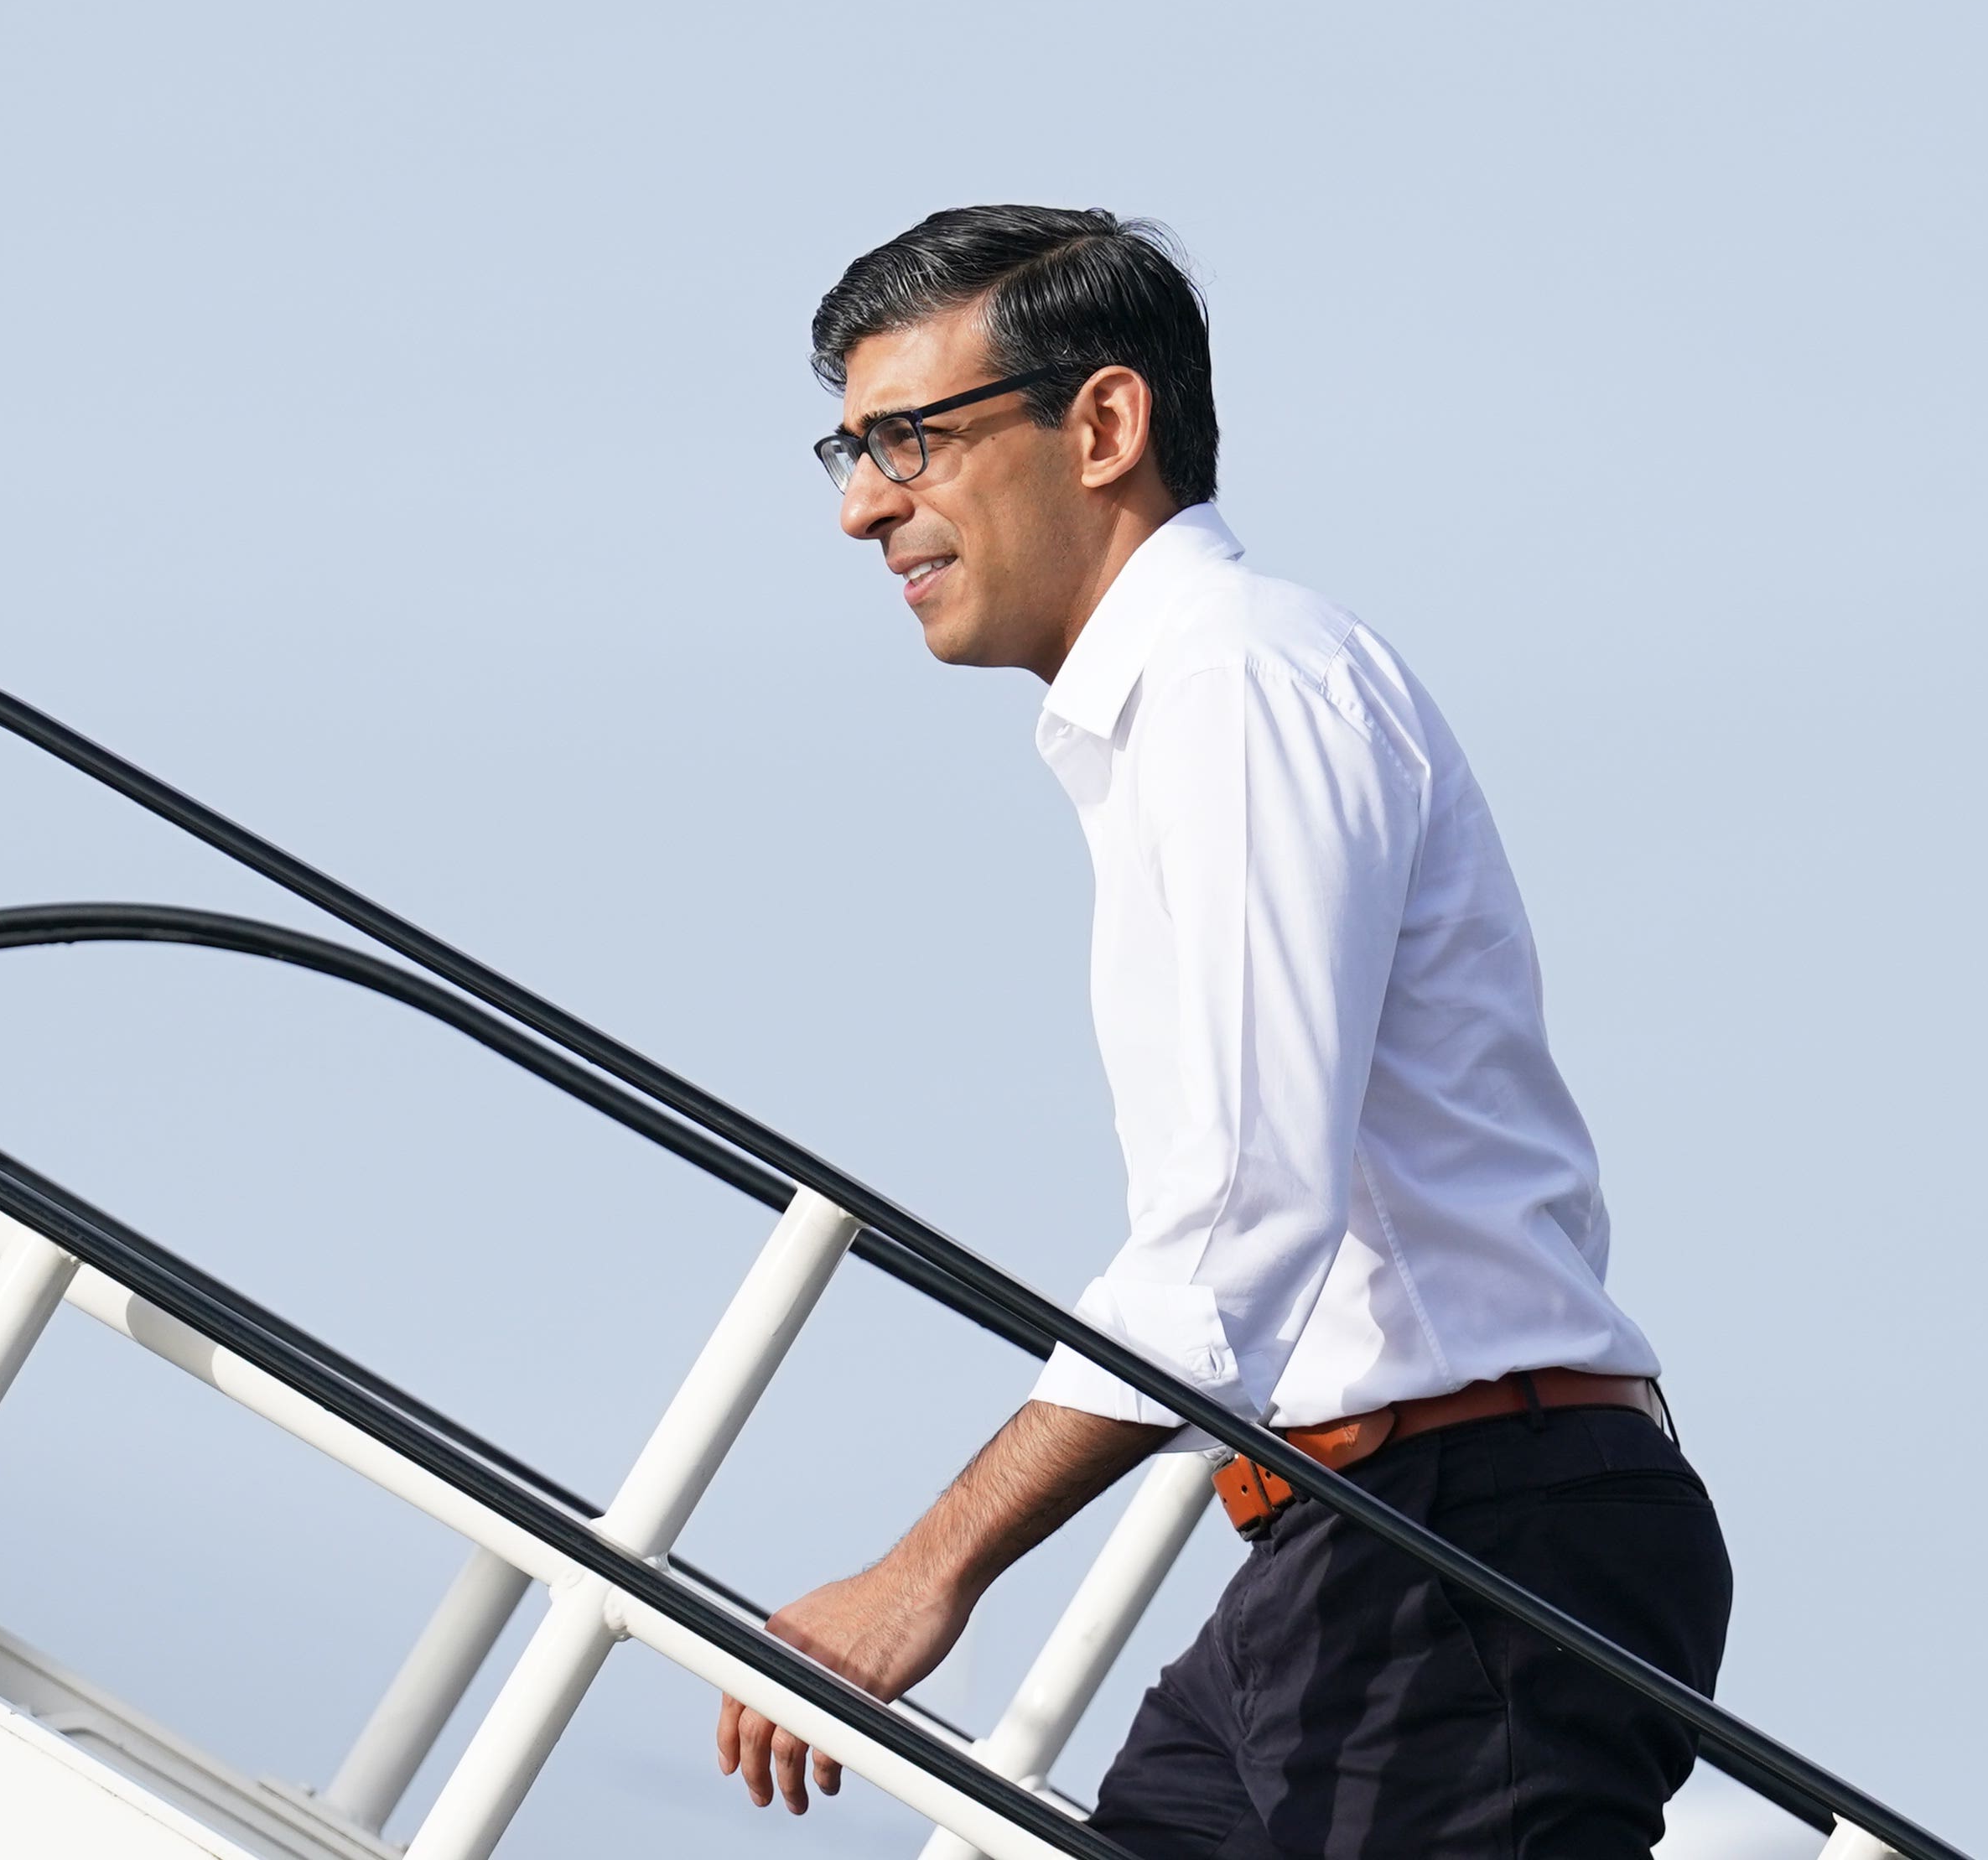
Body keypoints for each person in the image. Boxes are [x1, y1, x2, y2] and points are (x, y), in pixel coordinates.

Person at [717, 205, 1731, 1857]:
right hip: (1367, 1532)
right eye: (849, 443)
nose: (860, 505)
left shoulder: (1238, 685)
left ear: (1103, 425)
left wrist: (930, 1564)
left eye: (909, 437)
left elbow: (1237, 1227)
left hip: (1477, 1539)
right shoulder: (1188, 702)